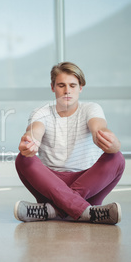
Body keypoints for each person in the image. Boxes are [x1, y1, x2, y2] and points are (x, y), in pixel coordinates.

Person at [14, 62, 125, 225]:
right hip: (50, 184)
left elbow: (99, 128)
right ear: (53, 87)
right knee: (23, 159)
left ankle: (52, 210)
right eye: (61, 85)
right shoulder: (41, 112)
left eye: (73, 85)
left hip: (88, 184)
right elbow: (35, 130)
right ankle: (88, 212)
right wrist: (31, 141)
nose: (67, 90)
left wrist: (111, 142)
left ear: (81, 87)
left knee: (116, 158)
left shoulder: (91, 108)